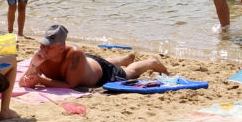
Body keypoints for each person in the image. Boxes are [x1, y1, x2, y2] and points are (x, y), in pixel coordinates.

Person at [19, 23, 168, 89]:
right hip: (88, 64)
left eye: (48, 46)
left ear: (61, 48)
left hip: (101, 73)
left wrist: (40, 79)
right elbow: (23, 82)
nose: (43, 48)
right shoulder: (41, 55)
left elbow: (71, 85)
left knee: (128, 73)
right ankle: (124, 59)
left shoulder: (74, 55)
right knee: (98, 61)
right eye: (42, 44)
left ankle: (150, 62)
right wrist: (33, 66)